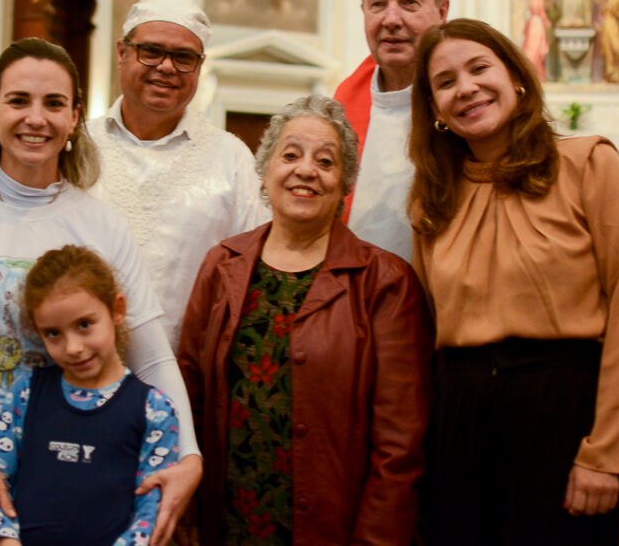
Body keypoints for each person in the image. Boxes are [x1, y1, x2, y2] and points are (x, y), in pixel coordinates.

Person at [0, 38, 202, 546]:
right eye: (19, 101)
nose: (36, 118)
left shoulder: (98, 220)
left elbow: (151, 357)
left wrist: (189, 456)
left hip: (79, 478)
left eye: (54, 104)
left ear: (75, 117)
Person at [408, 18, 619, 544]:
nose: (466, 88)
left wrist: (607, 454)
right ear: (434, 110)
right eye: (446, 82)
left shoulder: (590, 165)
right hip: (461, 419)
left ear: (517, 78)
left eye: (479, 68)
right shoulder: (433, 199)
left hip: (562, 413)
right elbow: (428, 331)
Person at [178, 95, 433, 545]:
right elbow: (190, 396)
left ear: (345, 182)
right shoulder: (222, 265)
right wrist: (189, 511)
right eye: (291, 155)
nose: (306, 170)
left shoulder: (385, 282)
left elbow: (400, 443)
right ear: (265, 171)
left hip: (336, 527)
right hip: (229, 520)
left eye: (326, 161)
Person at [88, 0, 267, 347]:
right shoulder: (78, 147)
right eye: (151, 51)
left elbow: (256, 274)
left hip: (187, 371)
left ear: (199, 66)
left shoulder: (231, 159)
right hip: (77, 366)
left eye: (183, 57)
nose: (167, 67)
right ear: (122, 53)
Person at [0, 245, 180, 546]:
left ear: (117, 310)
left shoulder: (154, 408)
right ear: (37, 331)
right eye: (53, 333)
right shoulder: (25, 394)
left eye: (84, 325)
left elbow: (152, 512)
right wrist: (5, 541)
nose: (73, 347)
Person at [333, 0, 449, 262]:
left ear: (442, 12)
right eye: (378, 4)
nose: (391, 19)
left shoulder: (464, 98)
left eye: (409, 2)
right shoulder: (341, 104)